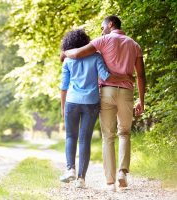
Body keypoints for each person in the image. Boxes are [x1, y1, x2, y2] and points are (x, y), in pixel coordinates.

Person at [62, 15, 146, 191]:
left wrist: (65, 53)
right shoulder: (134, 45)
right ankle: (122, 172)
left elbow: (76, 54)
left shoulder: (102, 41)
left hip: (106, 92)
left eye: (102, 27)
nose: (101, 30)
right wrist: (141, 100)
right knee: (125, 133)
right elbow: (141, 75)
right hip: (126, 92)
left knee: (108, 136)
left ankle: (110, 181)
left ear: (110, 24)